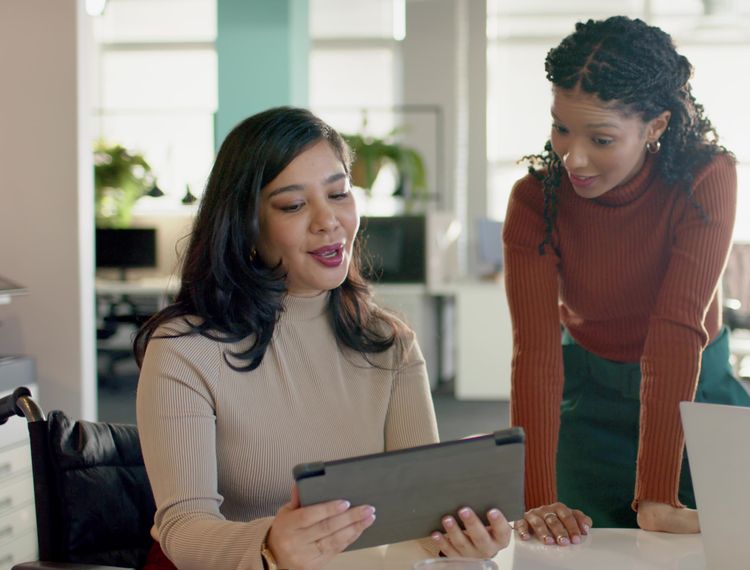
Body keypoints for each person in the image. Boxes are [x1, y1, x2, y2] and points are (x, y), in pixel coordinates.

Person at [134, 107, 511, 570]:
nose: (328, 220)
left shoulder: (389, 342)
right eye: (293, 205)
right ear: (245, 224)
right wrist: (271, 547)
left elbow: (416, 516)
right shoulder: (184, 350)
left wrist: (456, 538)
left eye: (338, 193)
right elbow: (183, 526)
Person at [502, 15, 750, 542]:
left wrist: (659, 494)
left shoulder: (707, 178)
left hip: (696, 402)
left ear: (656, 126)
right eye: (561, 128)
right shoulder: (535, 201)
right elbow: (537, 354)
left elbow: (676, 328)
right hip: (588, 402)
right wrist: (537, 497)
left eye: (601, 138)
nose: (574, 157)